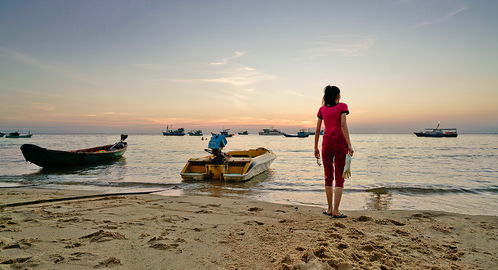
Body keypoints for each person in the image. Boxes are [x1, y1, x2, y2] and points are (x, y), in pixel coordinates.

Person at [314, 85, 354, 218]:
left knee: (328, 177)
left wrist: (315, 147)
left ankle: (330, 208)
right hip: (340, 144)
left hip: (326, 145)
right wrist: (349, 144)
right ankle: (336, 210)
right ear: (337, 95)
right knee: (339, 178)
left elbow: (318, 129)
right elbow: (343, 125)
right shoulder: (343, 106)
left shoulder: (322, 109)